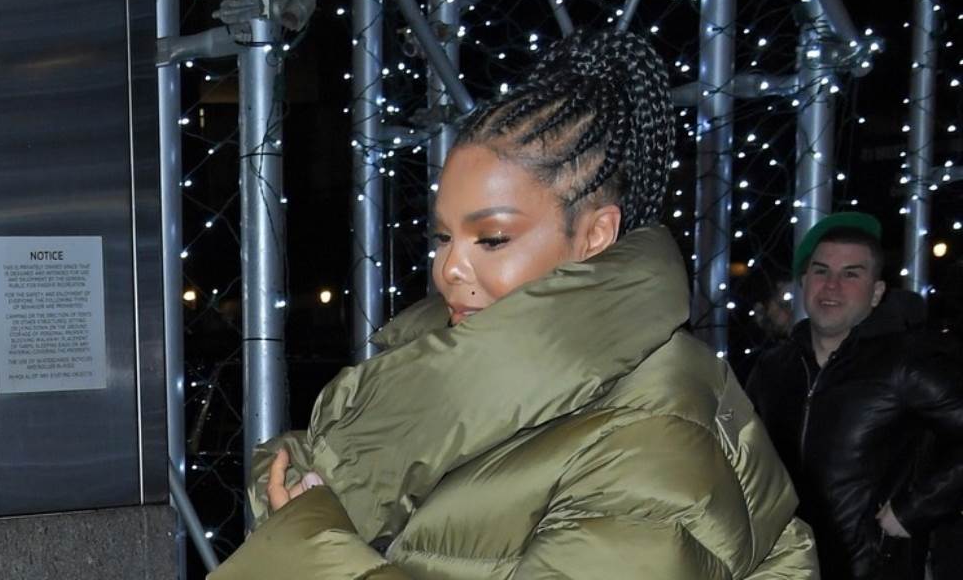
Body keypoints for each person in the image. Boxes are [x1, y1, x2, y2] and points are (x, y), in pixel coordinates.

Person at [209, 29, 817, 579]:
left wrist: (312, 550)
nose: (449, 268)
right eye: (443, 236)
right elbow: (316, 474)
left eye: (493, 238)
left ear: (596, 235)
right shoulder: (448, 367)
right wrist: (306, 513)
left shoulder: (652, 433)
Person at [745, 212, 963, 580]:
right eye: (821, 271)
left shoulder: (903, 363)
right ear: (804, 282)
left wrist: (915, 508)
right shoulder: (773, 368)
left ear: (876, 292)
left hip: (870, 570)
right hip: (781, 569)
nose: (832, 286)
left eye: (851, 274)